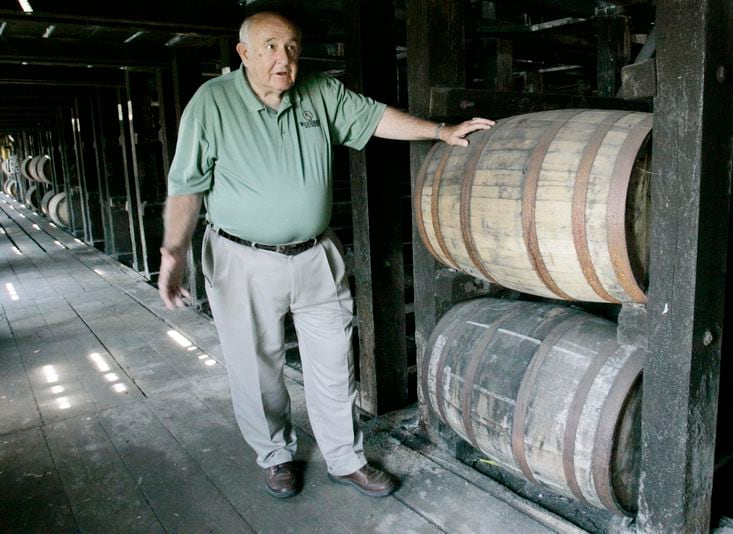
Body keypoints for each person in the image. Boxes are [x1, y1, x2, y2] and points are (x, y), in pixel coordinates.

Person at [158, 10, 494, 500]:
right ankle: (275, 456)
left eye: (292, 46)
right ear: (244, 53)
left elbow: (376, 117)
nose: (283, 57)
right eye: (270, 46)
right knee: (256, 367)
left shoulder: (317, 90)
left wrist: (440, 131)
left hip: (316, 253)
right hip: (241, 257)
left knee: (336, 360)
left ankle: (345, 458)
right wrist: (174, 252)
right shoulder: (211, 103)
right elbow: (186, 188)